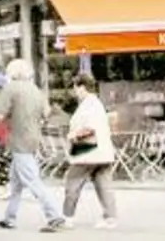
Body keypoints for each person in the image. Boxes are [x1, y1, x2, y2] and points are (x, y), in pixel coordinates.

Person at [0, 58, 65, 233]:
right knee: (16, 182)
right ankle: (9, 217)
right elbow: (46, 113)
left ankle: (54, 216)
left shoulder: (10, 89)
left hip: (18, 140)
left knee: (32, 180)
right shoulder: (36, 90)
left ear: (12, 73)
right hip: (33, 138)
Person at [61, 74, 118, 229]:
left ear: (82, 87)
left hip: (87, 151)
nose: (74, 92)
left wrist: (74, 135)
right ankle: (110, 217)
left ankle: (67, 217)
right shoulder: (96, 103)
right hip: (104, 152)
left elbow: (89, 128)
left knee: (73, 183)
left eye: (75, 88)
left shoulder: (89, 105)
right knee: (104, 185)